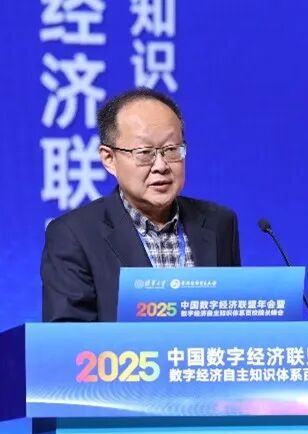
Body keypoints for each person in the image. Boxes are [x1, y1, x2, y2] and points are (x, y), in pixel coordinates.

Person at [41, 88, 241, 322]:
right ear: (109, 159)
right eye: (145, 153)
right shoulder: (74, 234)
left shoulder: (219, 223)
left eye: (171, 150)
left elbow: (233, 319)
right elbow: (68, 334)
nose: (161, 166)